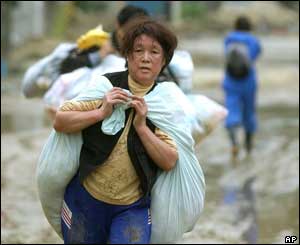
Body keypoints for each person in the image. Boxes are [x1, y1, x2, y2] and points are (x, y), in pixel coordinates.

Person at [53, 18, 179, 244]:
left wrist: (141, 127)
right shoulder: (106, 87)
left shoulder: (165, 103)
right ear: (127, 56)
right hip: (85, 200)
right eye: (138, 50)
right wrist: (101, 112)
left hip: (132, 209)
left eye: (154, 52)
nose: (145, 58)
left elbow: (169, 160)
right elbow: (60, 121)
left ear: (164, 61)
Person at [222, 16, 262, 158]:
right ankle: (248, 144)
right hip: (248, 81)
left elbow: (226, 56)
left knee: (231, 111)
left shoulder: (229, 39)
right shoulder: (253, 40)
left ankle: (234, 144)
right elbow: (255, 56)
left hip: (230, 80)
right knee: (249, 112)